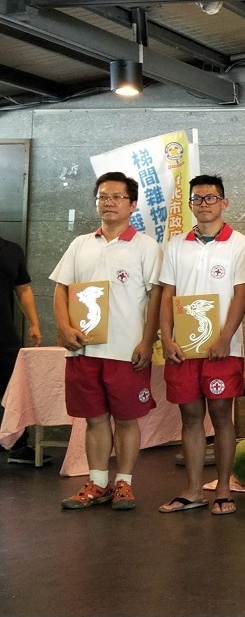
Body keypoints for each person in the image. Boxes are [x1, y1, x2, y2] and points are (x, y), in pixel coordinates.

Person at [53, 172, 162, 510]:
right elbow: (61, 289)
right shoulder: (80, 244)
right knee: (94, 419)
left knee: (127, 419)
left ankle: (124, 483)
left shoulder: (146, 246)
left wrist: (148, 341)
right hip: (84, 349)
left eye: (117, 197)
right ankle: (98, 483)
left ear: (132, 204)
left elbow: (156, 298)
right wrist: (64, 328)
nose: (108, 202)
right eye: (102, 196)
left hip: (126, 351)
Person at [157, 175, 245, 516]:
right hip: (184, 349)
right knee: (191, 416)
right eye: (197, 199)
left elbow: (242, 294)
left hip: (222, 349)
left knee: (222, 416)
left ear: (224, 203)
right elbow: (167, 294)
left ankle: (223, 489)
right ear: (191, 204)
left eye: (211, 198)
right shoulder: (175, 245)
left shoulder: (239, 244)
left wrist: (225, 337)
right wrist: (166, 337)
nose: (204, 204)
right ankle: (193, 489)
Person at [1, 234, 42, 465]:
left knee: (14, 390)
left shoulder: (12, 250)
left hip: (5, 335)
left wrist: (34, 323)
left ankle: (18, 446)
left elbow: (23, 289)